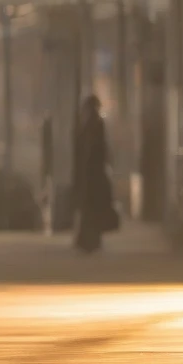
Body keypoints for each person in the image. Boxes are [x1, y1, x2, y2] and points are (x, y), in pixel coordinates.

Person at [72, 95, 118, 253]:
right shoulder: (96, 125)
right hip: (95, 175)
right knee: (93, 209)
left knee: (89, 209)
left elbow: (84, 153)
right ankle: (91, 241)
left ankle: (87, 241)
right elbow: (102, 151)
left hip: (89, 175)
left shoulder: (85, 127)